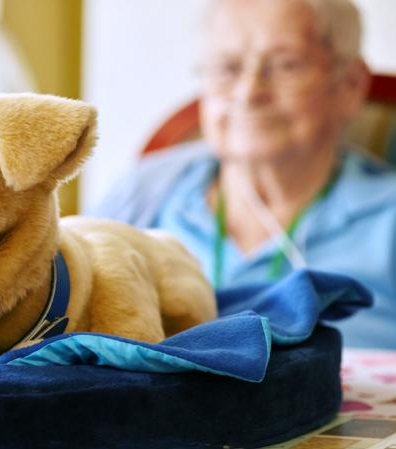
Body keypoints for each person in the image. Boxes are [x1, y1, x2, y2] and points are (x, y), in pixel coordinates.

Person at [91, 0, 396, 349]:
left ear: (350, 86)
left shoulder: (388, 216)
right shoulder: (143, 191)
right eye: (227, 67)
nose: (249, 92)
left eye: (286, 65)